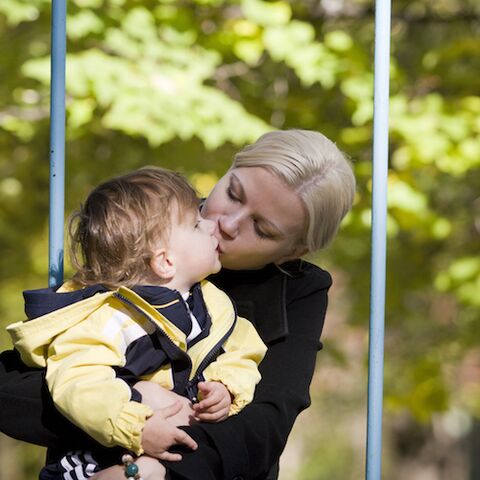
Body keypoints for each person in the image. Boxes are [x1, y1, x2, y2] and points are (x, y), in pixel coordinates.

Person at [0, 129, 356, 480]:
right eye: (233, 193)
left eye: (262, 229)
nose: (226, 224)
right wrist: (133, 396)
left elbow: (264, 427)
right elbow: (19, 383)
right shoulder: (148, 223)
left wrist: (159, 468)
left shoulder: (299, 289)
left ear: (293, 251)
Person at [6, 167, 267, 479]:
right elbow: (79, 383)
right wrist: (135, 425)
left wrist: (227, 386)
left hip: (180, 447)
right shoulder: (111, 318)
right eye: (197, 226)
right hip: (101, 452)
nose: (212, 226)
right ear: (165, 261)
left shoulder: (212, 303)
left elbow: (244, 349)